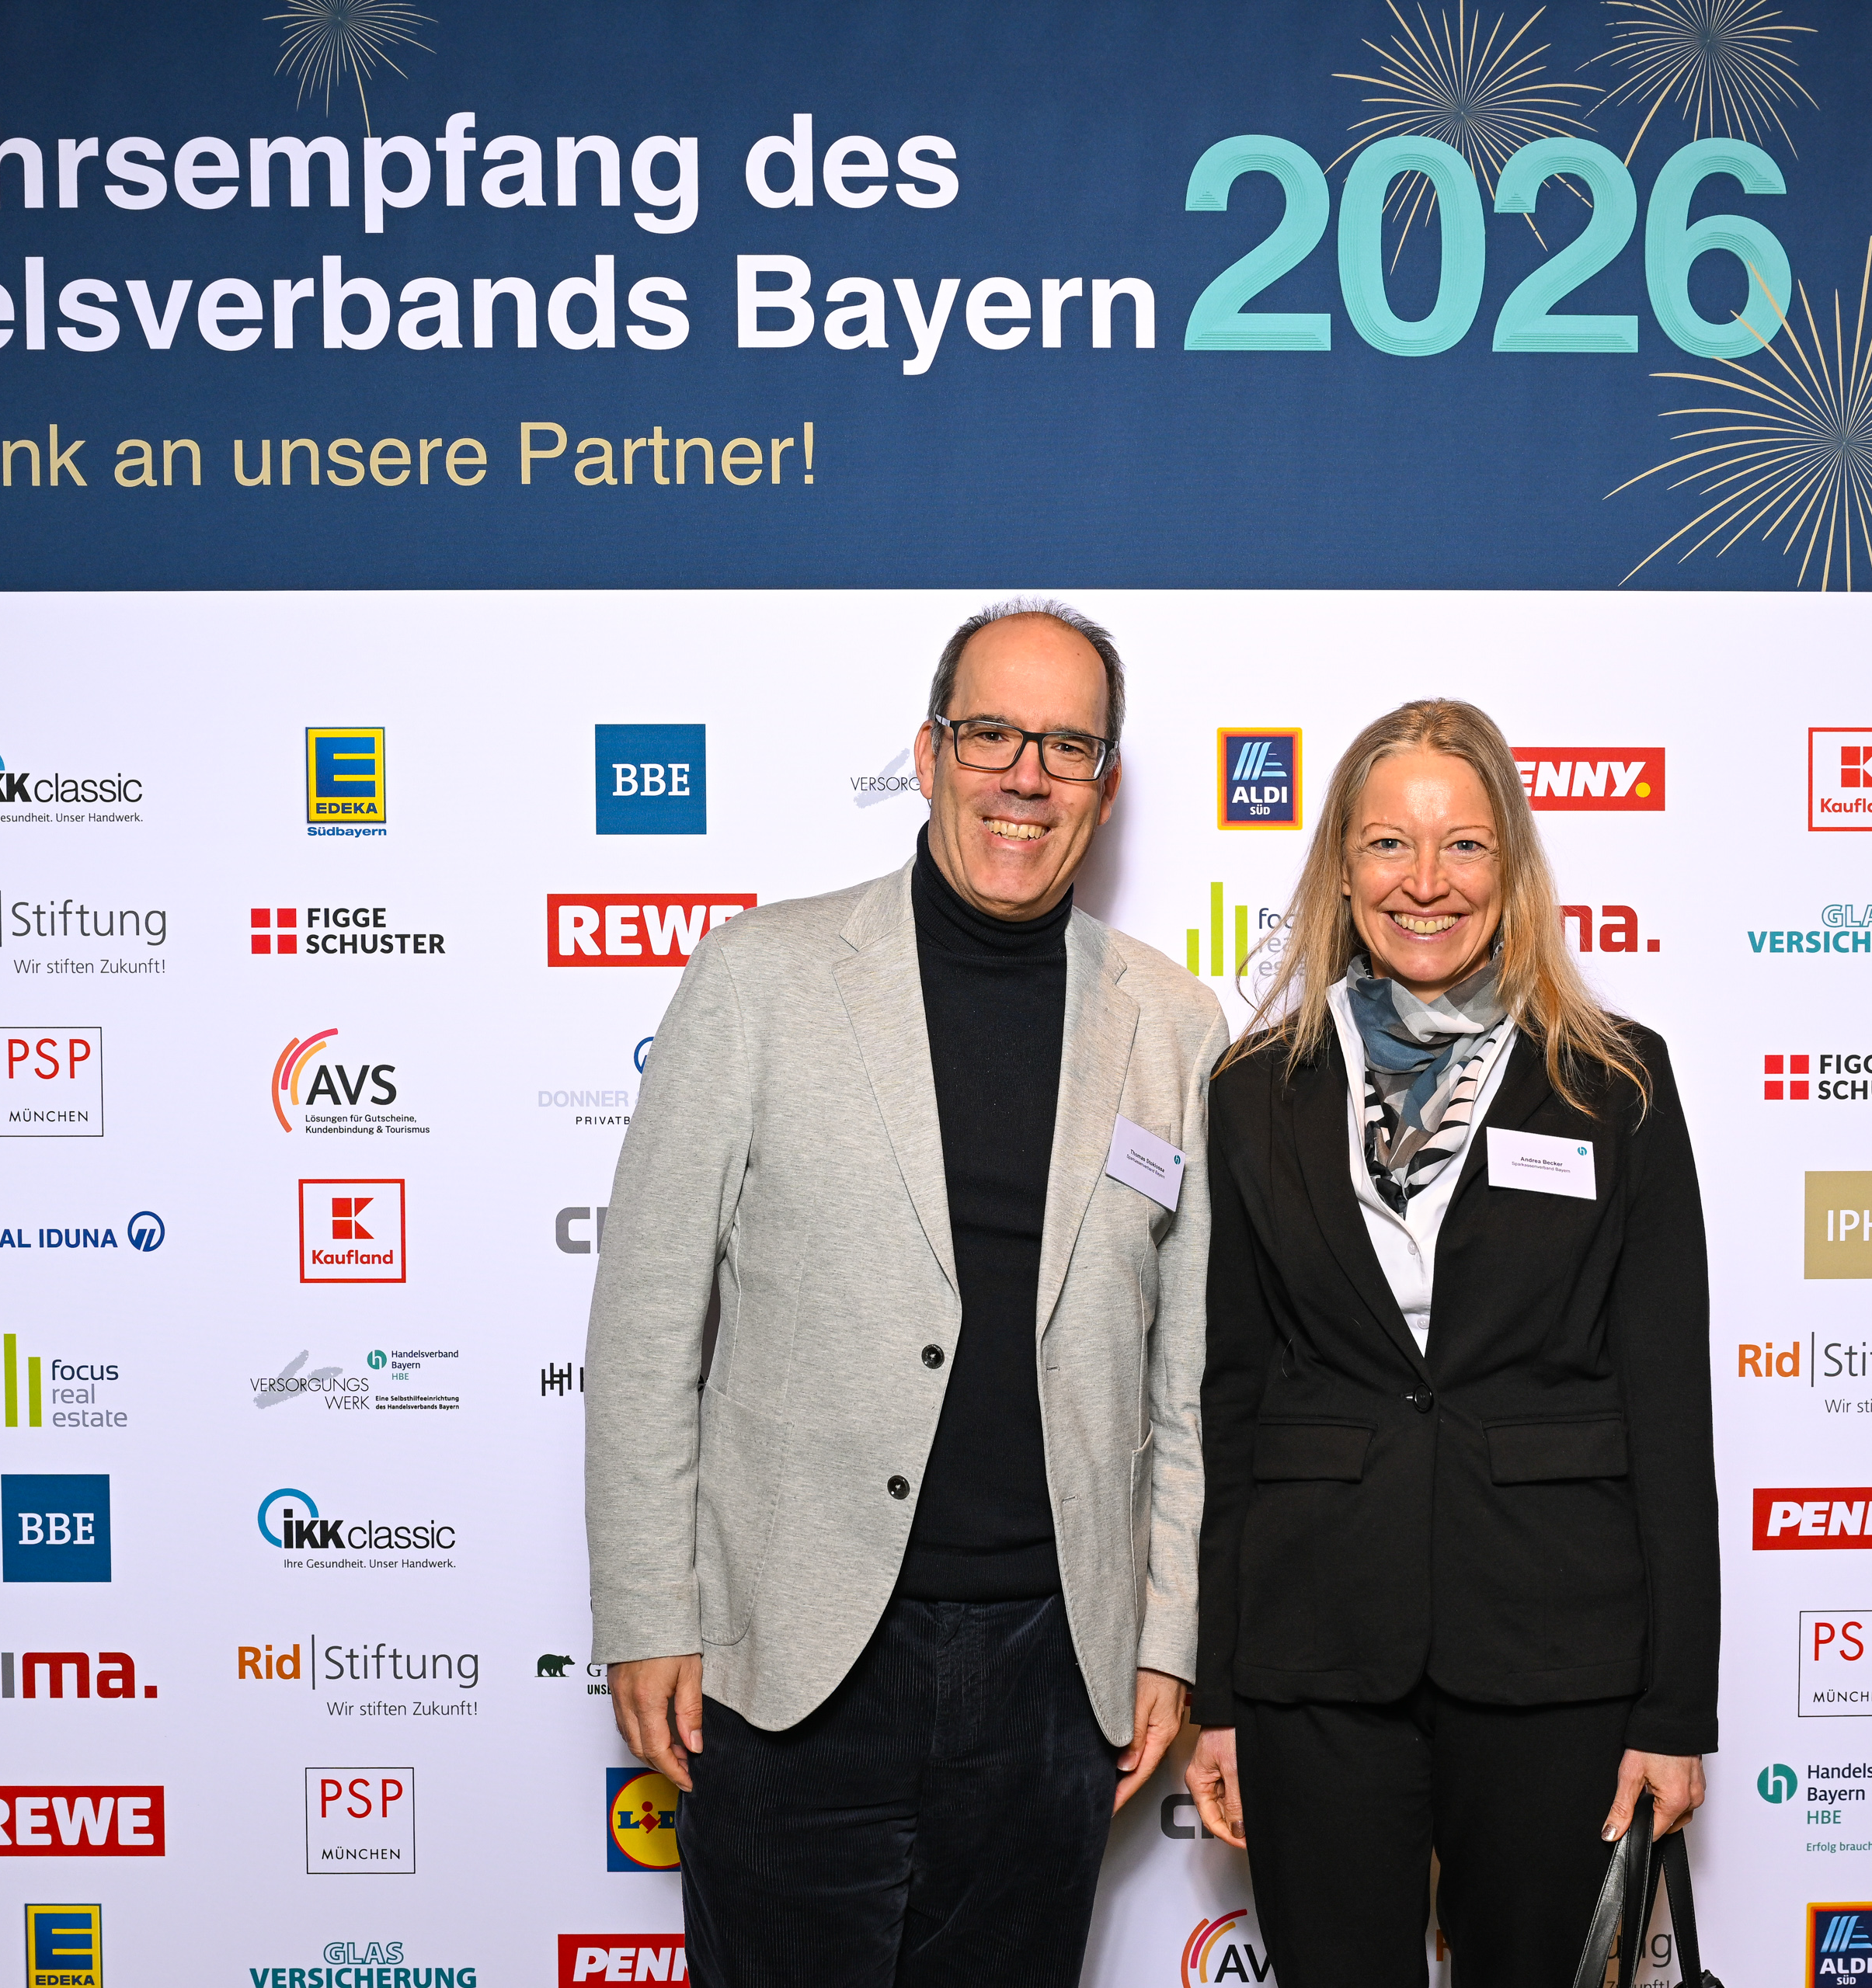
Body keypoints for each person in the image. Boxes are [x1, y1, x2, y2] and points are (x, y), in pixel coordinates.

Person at [584, 599, 1227, 1988]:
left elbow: (1186, 1382)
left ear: (1106, 785)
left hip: (1056, 1674)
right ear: (929, 754)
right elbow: (644, 1330)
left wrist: (1168, 1637)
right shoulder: (761, 979)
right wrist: (645, 1612)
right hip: (795, 1662)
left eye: (1067, 746)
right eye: (991, 733)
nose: (1026, 776)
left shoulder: (1176, 1026)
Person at [1181, 698, 1717, 1987]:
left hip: (1554, 1649)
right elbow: (1233, 1404)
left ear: (1511, 866)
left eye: (1463, 845)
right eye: (1388, 845)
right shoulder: (1257, 1090)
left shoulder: (1615, 1082)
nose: (1425, 882)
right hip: (1315, 1651)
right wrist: (1221, 1694)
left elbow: (1669, 1407)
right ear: (1341, 867)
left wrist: (1674, 1708)